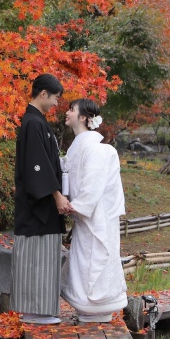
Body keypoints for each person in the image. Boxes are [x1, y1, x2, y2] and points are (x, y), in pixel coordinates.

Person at [11, 74, 73, 325]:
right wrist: (57, 195)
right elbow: (38, 166)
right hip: (38, 205)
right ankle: (34, 311)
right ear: (43, 94)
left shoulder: (37, 121)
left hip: (42, 203)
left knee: (42, 256)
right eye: (56, 98)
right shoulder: (33, 123)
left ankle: (39, 309)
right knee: (36, 257)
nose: (57, 103)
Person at [60, 98, 128, 322]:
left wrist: (73, 206)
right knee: (83, 260)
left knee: (96, 259)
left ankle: (98, 305)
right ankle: (87, 306)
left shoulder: (99, 151)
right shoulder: (78, 148)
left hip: (98, 217)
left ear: (83, 118)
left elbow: (93, 186)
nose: (67, 112)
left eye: (71, 109)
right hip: (84, 218)